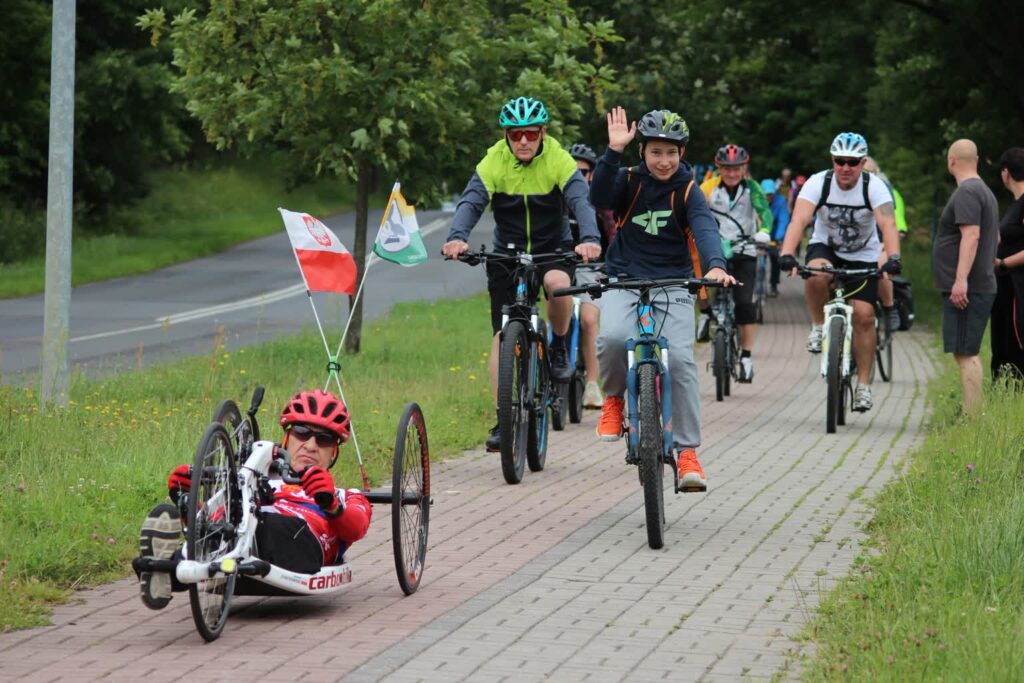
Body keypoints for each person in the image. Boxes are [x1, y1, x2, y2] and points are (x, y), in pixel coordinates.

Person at [441, 97, 602, 451]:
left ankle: (559, 345)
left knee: (557, 285)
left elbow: (580, 200)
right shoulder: (494, 159)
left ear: (543, 132)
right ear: (507, 136)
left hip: (552, 247)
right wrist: (457, 237)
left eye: (531, 133)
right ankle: (504, 418)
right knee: (502, 334)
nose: (524, 141)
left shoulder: (558, 158)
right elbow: (471, 201)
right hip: (507, 251)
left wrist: (589, 238)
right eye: (516, 135)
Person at [590, 106, 736, 492]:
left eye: (672, 153)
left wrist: (715, 266)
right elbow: (599, 197)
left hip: (673, 284)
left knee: (684, 362)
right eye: (656, 152)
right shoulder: (627, 180)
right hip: (624, 278)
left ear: (682, 154)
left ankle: (687, 452)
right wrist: (612, 152)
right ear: (643, 151)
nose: (664, 160)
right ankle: (614, 401)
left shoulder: (688, 190)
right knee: (613, 339)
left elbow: (704, 230)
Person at [135, 389, 372, 609]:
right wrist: (188, 495)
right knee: (227, 522)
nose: (310, 445)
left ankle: (181, 557)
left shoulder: (345, 495)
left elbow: (357, 527)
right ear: (287, 439)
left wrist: (331, 503)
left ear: (334, 452)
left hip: (298, 541)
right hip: (240, 528)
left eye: (324, 439)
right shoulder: (256, 475)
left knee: (262, 524)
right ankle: (162, 568)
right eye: (302, 432)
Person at [778, 132, 902, 412]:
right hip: (827, 247)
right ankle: (818, 327)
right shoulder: (817, 183)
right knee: (815, 273)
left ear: (862, 162)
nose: (846, 167)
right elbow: (799, 220)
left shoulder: (875, 187)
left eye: (853, 162)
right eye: (840, 161)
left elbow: (889, 224)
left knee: (864, 316)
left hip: (864, 254)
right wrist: (787, 253)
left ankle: (864, 386)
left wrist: (893, 257)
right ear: (832, 160)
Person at [933, 139, 999, 414]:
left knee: (966, 353)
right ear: (976, 159)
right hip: (978, 283)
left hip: (968, 289)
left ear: (951, 161)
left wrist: (961, 280)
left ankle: (972, 417)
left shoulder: (968, 192)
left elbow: (971, 235)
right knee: (964, 350)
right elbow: (994, 236)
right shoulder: (984, 191)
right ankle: (970, 411)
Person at [697, 145, 773, 382]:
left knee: (745, 302)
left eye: (737, 168)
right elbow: (695, 211)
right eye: (727, 169)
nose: (732, 173)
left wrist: (764, 230)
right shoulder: (708, 188)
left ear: (744, 168)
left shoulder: (752, 188)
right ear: (719, 168)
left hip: (744, 249)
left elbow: (765, 212)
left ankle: (747, 357)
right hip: (715, 249)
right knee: (699, 283)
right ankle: (706, 313)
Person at [567, 142, 617, 408]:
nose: (578, 178)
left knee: (588, 319)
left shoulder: (600, 204)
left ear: (592, 175)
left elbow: (615, 238)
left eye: (583, 173)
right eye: (572, 172)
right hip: (561, 267)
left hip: (593, 270)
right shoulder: (556, 201)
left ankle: (592, 385)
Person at [863, 156, 908, 331]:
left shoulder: (885, 190)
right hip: (856, 245)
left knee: (882, 265)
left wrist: (887, 244)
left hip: (881, 241)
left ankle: (890, 307)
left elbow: (894, 223)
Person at [992, 147, 1024, 380]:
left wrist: (1003, 263)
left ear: (1006, 173)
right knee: (1002, 342)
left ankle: (1015, 387)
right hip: (1005, 285)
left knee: (1014, 341)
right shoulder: (1015, 204)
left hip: (1017, 285)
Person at [761, 178, 790, 297]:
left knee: (775, 258)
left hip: (774, 236)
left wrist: (778, 238)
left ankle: (773, 285)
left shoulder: (781, 201)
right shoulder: (756, 200)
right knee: (756, 260)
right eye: (766, 194)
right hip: (759, 235)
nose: (769, 197)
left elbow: (783, 220)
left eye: (771, 194)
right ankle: (757, 284)